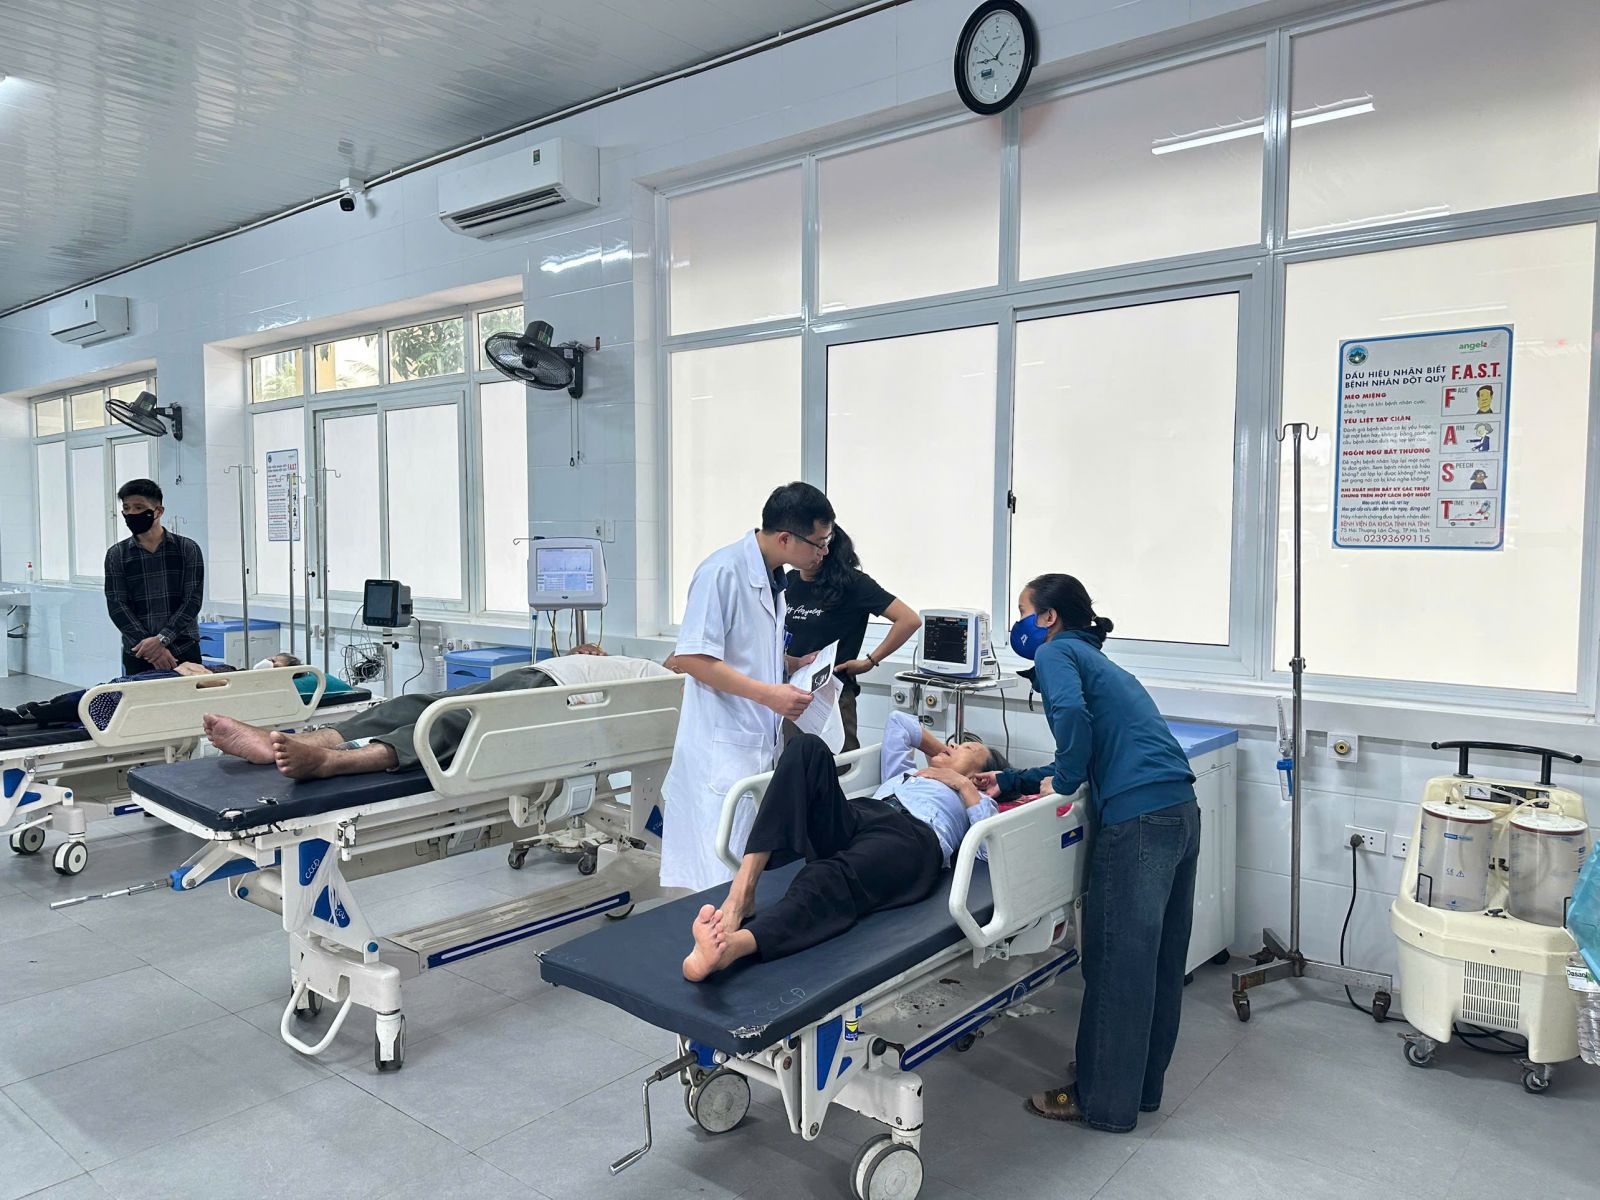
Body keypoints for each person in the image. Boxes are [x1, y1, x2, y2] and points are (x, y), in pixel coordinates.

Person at [977, 573, 1198, 1133]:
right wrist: (1009, 779)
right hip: (1179, 811)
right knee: (1157, 962)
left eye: (1022, 611)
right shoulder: (1097, 660)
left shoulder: (1056, 654)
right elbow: (1089, 749)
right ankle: (1138, 1086)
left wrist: (1064, 781)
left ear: (1047, 617)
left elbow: (1073, 726)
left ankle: (1103, 1101)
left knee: (1117, 961)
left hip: (1137, 821)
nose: (1018, 623)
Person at [683, 710, 1008, 980]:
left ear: (982, 776)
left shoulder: (978, 800)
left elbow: (987, 849)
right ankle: (741, 894)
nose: (954, 744)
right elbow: (898, 722)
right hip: (861, 815)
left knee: (826, 876)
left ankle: (733, 946)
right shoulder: (907, 772)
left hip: (911, 836)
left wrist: (963, 784)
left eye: (967, 748)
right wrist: (942, 756)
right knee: (806, 747)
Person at [662, 482, 835, 892]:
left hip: (754, 743)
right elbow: (691, 658)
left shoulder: (774, 578)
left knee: (744, 872)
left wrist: (792, 665)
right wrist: (769, 695)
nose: (824, 552)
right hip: (722, 746)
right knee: (718, 876)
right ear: (786, 538)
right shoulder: (721, 572)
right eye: (820, 543)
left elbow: (742, 649)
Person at [204, 648, 676, 780]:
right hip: (542, 674)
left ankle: (333, 761)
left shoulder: (674, 683)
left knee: (451, 724)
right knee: (413, 705)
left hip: (555, 693)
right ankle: (298, 741)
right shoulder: (651, 666)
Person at [783, 525, 920, 753]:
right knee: (793, 766)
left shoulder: (853, 584)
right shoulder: (789, 581)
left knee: (837, 766)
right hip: (792, 691)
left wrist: (870, 661)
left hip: (832, 695)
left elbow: (908, 620)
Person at [105, 479, 204, 677]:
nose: (131, 514)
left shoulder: (187, 549)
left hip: (183, 648)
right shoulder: (117, 554)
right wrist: (150, 648)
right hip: (139, 652)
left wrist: (162, 640)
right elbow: (117, 606)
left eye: (139, 507)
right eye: (126, 508)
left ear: (158, 512)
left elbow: (192, 601)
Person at [0, 661, 233, 729]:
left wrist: (195, 673)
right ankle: (26, 713)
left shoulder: (228, 680)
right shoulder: (221, 672)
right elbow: (187, 668)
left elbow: (199, 676)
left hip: (117, 700)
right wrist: (192, 672)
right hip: (118, 691)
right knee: (68, 702)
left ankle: (22, 716)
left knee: (69, 708)